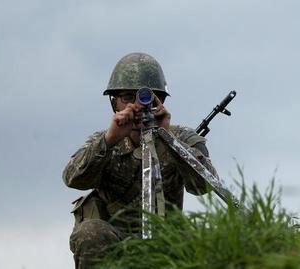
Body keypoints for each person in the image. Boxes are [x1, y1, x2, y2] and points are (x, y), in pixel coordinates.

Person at [63, 52, 217, 269]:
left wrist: (168, 139)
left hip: (168, 240)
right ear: (114, 102)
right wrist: (110, 139)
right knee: (90, 232)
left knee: (210, 240)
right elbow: (72, 178)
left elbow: (205, 186)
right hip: (115, 239)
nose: (136, 106)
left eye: (145, 98)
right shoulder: (104, 140)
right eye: (127, 97)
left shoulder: (182, 138)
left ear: (160, 101)